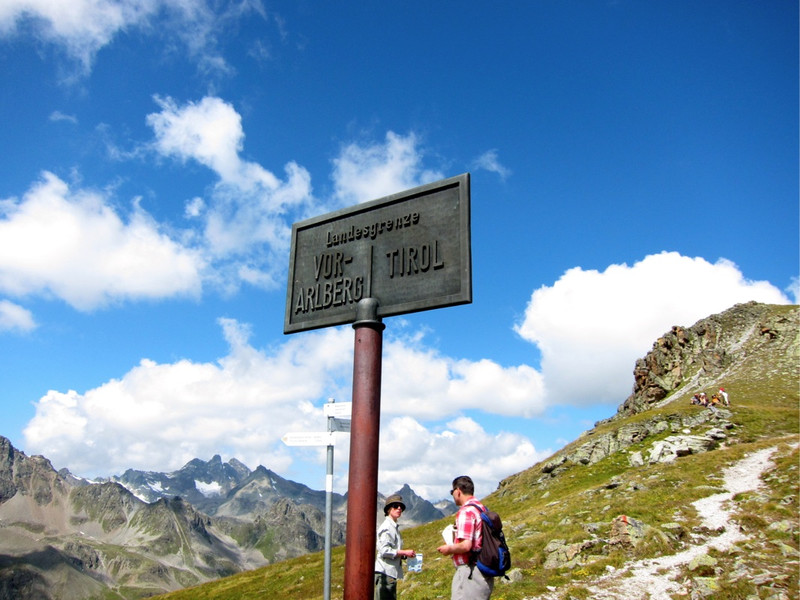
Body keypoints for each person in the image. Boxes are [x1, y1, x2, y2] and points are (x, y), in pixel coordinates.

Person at [437, 475, 494, 600]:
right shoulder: (482, 508)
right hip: (483, 571)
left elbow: (466, 545)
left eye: (452, 492)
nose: (452, 495)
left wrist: (449, 549)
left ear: (458, 491)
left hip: (469, 573)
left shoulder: (466, 511)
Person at [374, 494, 415, 600]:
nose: (399, 508)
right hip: (385, 572)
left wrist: (404, 555)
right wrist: (404, 552)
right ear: (388, 509)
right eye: (395, 506)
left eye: (401, 507)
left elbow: (392, 549)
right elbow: (384, 550)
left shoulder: (393, 527)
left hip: (389, 573)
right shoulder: (387, 527)